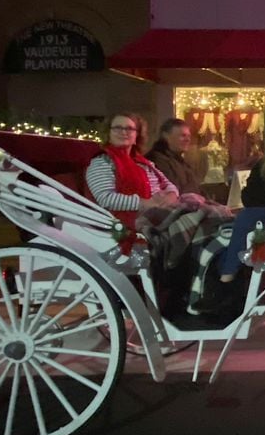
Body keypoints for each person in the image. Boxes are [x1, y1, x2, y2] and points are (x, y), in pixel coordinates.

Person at [85, 112, 231, 316]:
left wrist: (171, 195)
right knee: (196, 217)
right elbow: (106, 198)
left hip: (160, 211)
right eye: (118, 128)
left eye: (129, 129)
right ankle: (176, 275)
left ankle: (201, 287)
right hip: (131, 219)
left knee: (205, 221)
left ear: (137, 134)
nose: (124, 132)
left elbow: (169, 185)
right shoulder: (102, 163)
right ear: (108, 132)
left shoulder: (143, 162)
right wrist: (145, 203)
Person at [191, 114, 265, 315]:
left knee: (245, 218)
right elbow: (248, 196)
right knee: (222, 232)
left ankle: (225, 284)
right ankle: (222, 294)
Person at [146, 118, 204, 197]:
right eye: (183, 135)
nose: (188, 140)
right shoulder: (157, 161)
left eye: (189, 136)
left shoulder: (181, 162)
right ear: (166, 136)